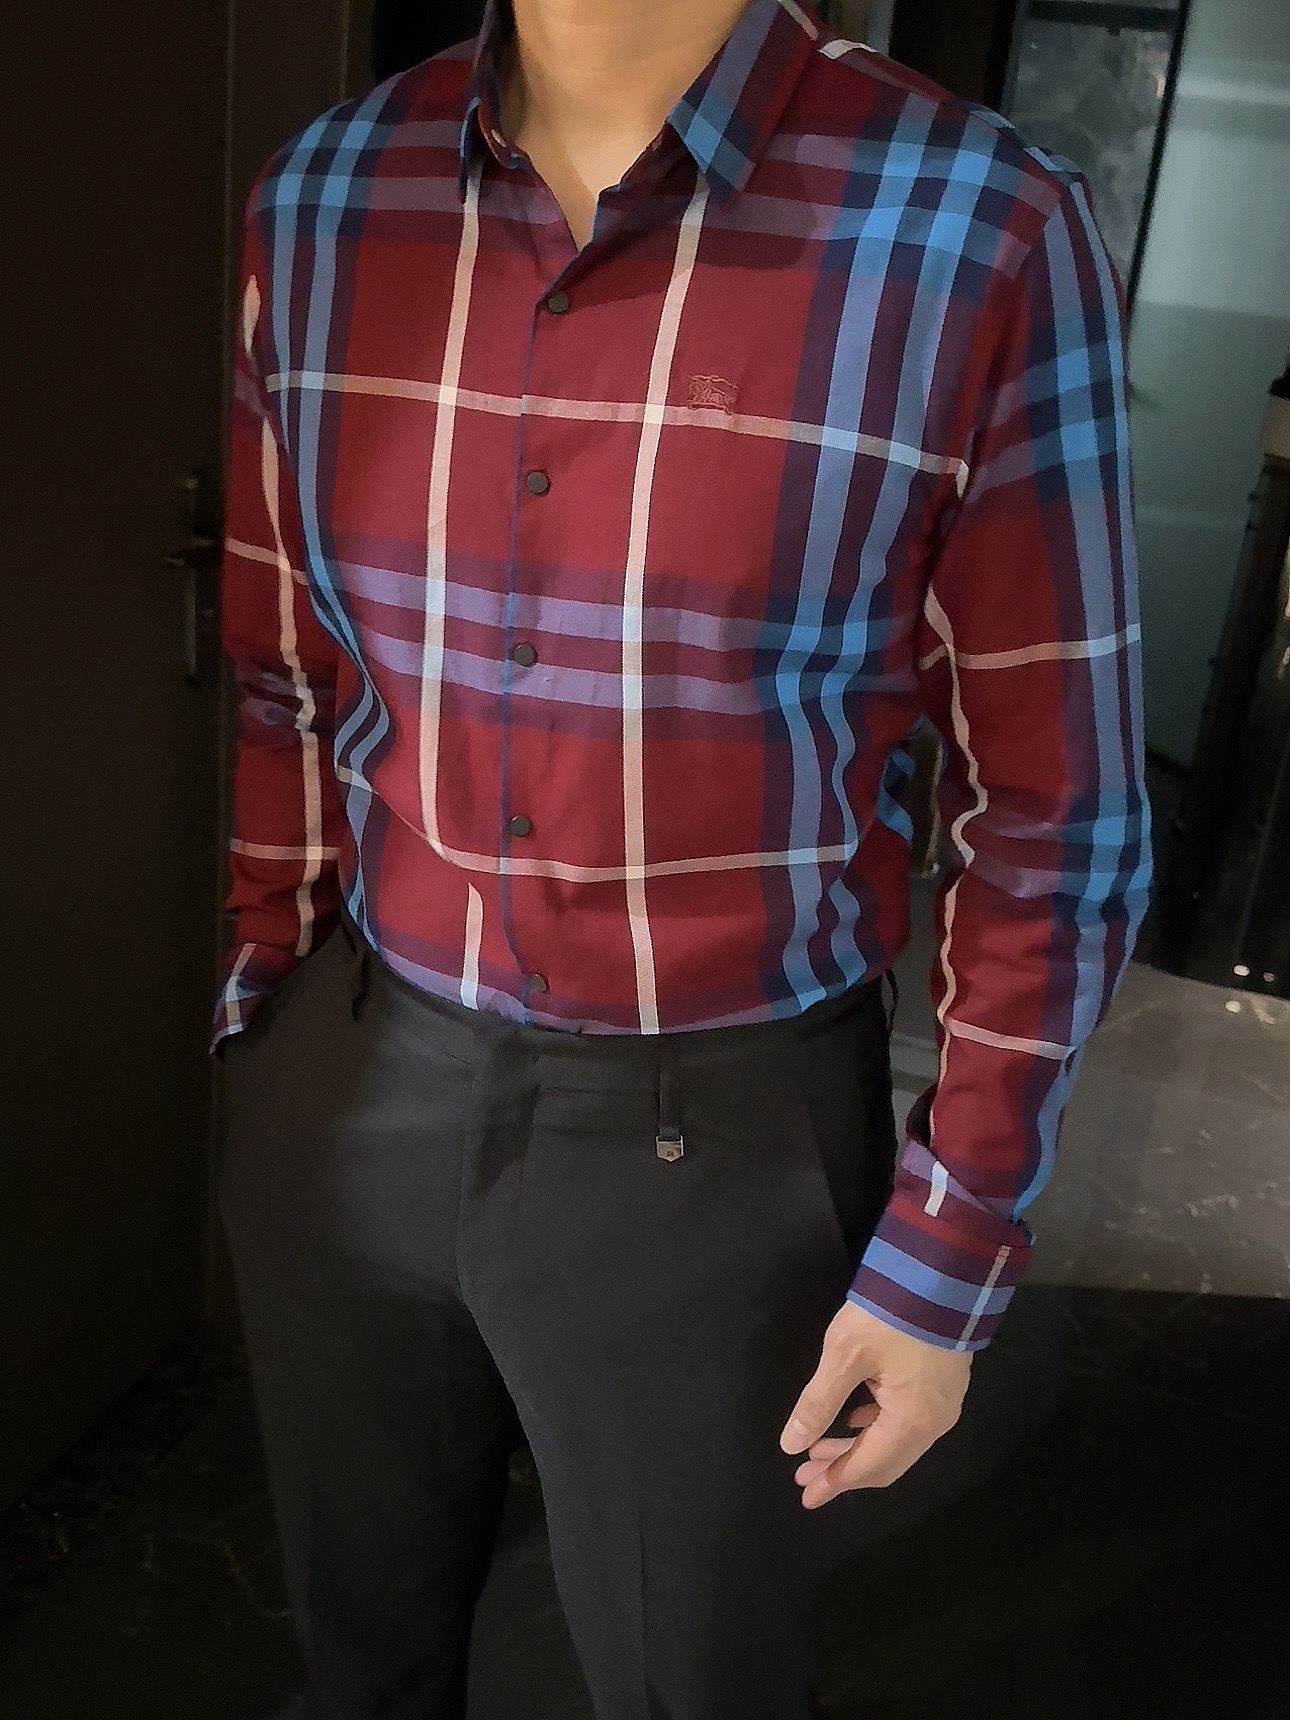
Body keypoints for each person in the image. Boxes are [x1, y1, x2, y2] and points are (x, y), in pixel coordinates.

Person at [214, 0, 1151, 1715]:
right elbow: (284, 670)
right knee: (357, 1662)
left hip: (713, 1138)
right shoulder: (326, 197)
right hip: (356, 1073)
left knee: (689, 1678)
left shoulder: (977, 225)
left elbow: (1053, 806)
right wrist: (259, 999)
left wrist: (950, 1247)